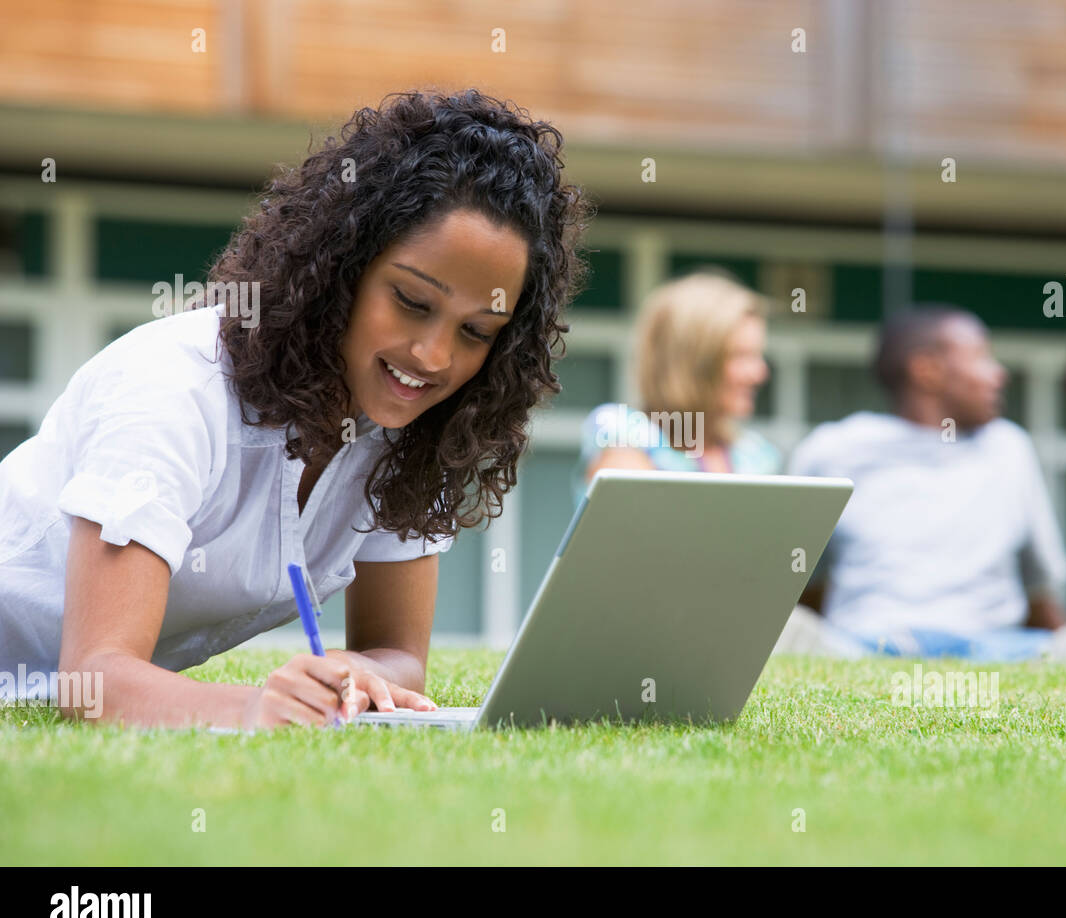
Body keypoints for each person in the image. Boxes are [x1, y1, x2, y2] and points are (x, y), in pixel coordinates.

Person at [0, 88, 595, 727]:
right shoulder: (175, 389)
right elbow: (94, 681)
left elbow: (396, 654)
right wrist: (259, 708)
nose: (432, 355)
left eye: (476, 331)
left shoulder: (407, 428)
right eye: (412, 302)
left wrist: (359, 674)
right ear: (342, 267)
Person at [780, 304, 1066, 663]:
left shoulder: (1009, 448)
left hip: (994, 648)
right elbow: (798, 580)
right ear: (928, 370)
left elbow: (1039, 593)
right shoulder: (834, 449)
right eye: (982, 358)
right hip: (865, 644)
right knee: (790, 631)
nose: (999, 375)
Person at [571, 270, 781, 506]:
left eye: (758, 355)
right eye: (740, 356)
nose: (760, 373)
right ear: (692, 362)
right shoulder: (625, 436)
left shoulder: (756, 455)